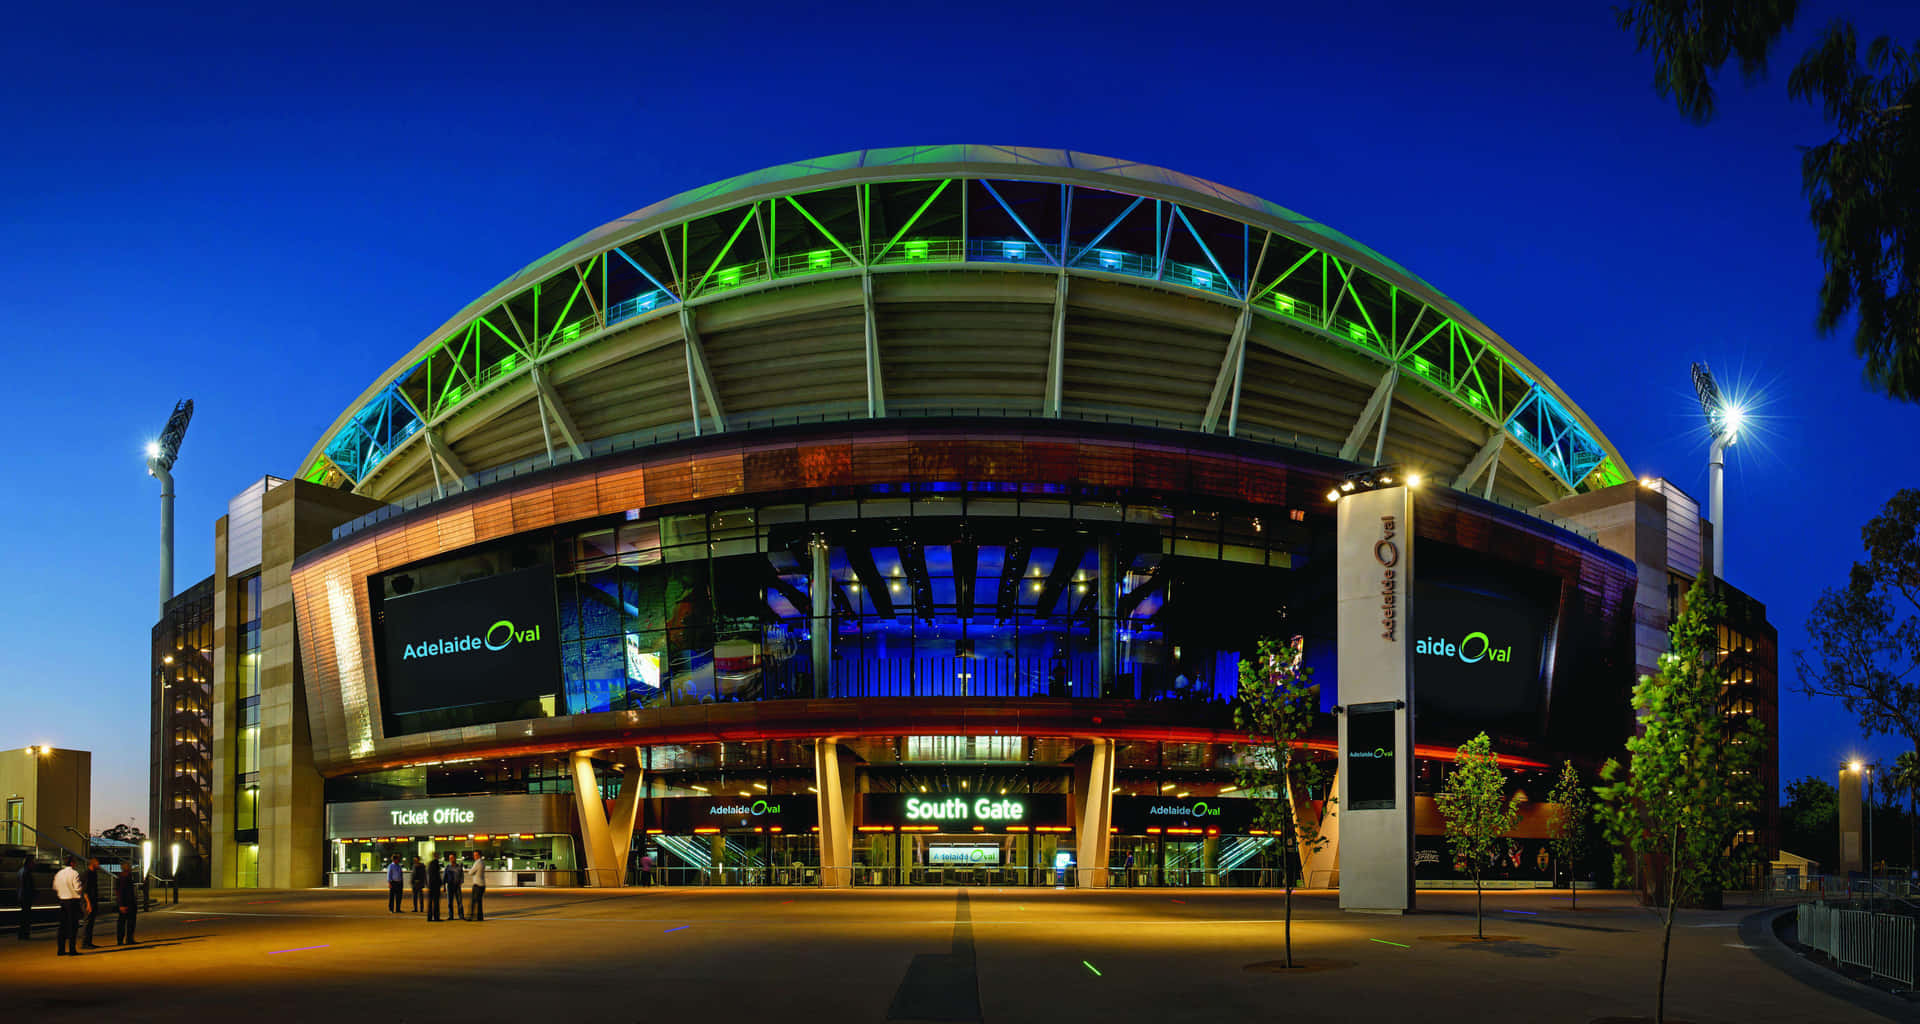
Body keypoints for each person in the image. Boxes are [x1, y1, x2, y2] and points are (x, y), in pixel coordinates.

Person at [52, 856, 83, 956]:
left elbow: (55, 887)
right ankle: (72, 949)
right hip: (73, 901)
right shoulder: (74, 873)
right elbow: (77, 888)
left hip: (62, 900)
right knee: (73, 926)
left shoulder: (59, 873)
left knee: (62, 926)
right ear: (72, 863)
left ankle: (60, 949)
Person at [113, 859, 138, 945]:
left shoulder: (126, 876)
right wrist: (121, 905)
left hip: (128, 902)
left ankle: (125, 939)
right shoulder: (124, 877)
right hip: (127, 903)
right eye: (129, 866)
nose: (131, 867)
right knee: (125, 922)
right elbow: (120, 891)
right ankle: (125, 939)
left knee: (125, 922)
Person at [79, 857, 100, 949]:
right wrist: (88, 903)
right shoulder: (87, 874)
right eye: (97, 863)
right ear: (93, 864)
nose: (99, 865)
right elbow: (85, 890)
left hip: (92, 900)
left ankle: (89, 942)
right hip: (88, 901)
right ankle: (85, 943)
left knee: (91, 922)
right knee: (87, 922)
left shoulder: (93, 874)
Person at [442, 854, 464, 921]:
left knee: (459, 901)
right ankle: (451, 916)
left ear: (455, 858)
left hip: (457, 886)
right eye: (450, 858)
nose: (451, 859)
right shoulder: (447, 867)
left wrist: (460, 882)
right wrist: (444, 887)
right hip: (450, 886)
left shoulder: (459, 867)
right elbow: (444, 877)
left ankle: (461, 915)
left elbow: (462, 876)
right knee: (450, 902)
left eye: (452, 858)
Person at [15, 860, 32, 940]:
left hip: (21, 896)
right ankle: (25, 934)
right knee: (26, 916)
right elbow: (27, 886)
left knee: (23, 916)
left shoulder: (20, 871)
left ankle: (22, 934)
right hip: (26, 896)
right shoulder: (26, 872)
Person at [467, 852, 486, 922]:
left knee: (473, 901)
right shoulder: (482, 862)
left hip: (477, 884)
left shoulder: (477, 863)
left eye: (475, 855)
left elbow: (470, 872)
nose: (474, 856)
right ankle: (479, 917)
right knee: (479, 902)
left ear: (478, 855)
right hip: (482, 884)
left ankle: (471, 916)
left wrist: (470, 870)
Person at [425, 852, 442, 922]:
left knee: (430, 901)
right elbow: (437, 875)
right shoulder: (436, 863)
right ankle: (436, 917)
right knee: (436, 902)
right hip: (435, 885)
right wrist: (440, 883)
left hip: (430, 885)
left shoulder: (430, 863)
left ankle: (429, 917)